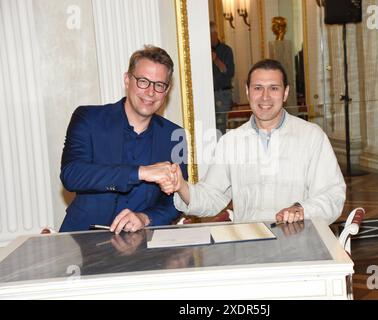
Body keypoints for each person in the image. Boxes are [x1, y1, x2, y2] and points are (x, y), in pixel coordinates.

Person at [163, 59, 345, 225]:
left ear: (285, 92)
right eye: (258, 88)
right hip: (250, 246)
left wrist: (302, 210)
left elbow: (332, 195)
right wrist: (181, 186)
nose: (265, 97)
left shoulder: (312, 137)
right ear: (247, 91)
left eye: (274, 88)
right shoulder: (231, 142)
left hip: (300, 244)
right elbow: (212, 197)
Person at [60, 45, 188, 234]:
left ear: (166, 90)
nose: (151, 92)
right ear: (127, 80)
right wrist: (140, 172)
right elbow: (72, 175)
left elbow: (176, 201)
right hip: (82, 241)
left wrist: (144, 218)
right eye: (143, 81)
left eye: (159, 85)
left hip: (143, 245)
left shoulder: (175, 135)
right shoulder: (88, 118)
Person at [210, 21, 235, 135]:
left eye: (210, 34)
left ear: (215, 34)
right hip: (207, 94)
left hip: (222, 94)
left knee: (221, 126)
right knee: (208, 126)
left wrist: (216, 60)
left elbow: (229, 72)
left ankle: (221, 149)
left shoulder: (226, 50)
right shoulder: (202, 50)